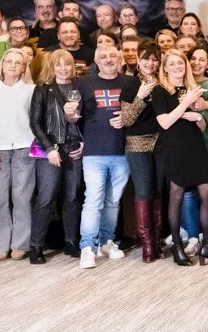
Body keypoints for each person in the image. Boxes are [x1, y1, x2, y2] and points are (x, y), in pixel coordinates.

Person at [151, 50, 208, 265]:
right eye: (172, 63)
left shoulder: (191, 89)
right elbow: (165, 122)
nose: (177, 66)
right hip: (174, 147)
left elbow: (202, 126)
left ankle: (207, 246)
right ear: (165, 67)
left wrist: (198, 116)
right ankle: (178, 247)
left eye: (181, 63)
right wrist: (185, 103)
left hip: (196, 145)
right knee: (176, 196)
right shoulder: (159, 91)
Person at [73, 45, 139, 268]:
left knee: (113, 201)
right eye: (103, 56)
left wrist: (126, 119)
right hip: (94, 152)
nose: (108, 59)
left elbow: (138, 114)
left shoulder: (130, 83)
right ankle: (87, 247)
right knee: (93, 201)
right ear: (96, 61)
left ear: (120, 58)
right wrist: (69, 114)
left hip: (122, 151)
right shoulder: (83, 83)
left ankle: (106, 241)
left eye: (113, 55)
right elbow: (74, 117)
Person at [0, 48, 36, 262]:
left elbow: (34, 121)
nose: (12, 65)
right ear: (2, 64)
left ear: (23, 67)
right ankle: (0, 245)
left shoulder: (30, 90)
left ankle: (20, 244)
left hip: (24, 149)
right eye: (8, 61)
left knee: (22, 198)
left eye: (17, 62)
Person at [27, 50, 84, 265]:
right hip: (48, 149)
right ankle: (36, 245)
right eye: (58, 65)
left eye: (67, 64)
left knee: (72, 197)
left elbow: (88, 120)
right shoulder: (42, 90)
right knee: (46, 196)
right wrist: (49, 148)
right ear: (52, 66)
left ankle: (71, 241)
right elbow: (34, 123)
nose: (63, 69)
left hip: (74, 149)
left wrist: (83, 142)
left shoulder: (80, 88)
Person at [118, 40, 164, 263]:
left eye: (155, 59)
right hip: (138, 144)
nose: (151, 63)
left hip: (162, 143)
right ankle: (146, 244)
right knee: (144, 192)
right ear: (138, 59)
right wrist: (141, 97)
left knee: (158, 192)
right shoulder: (131, 84)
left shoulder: (164, 83)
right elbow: (126, 119)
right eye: (146, 58)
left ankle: (157, 242)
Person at [178, 46, 208, 254]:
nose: (197, 62)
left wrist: (197, 111)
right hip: (185, 147)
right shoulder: (180, 84)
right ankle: (193, 236)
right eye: (193, 59)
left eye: (202, 59)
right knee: (187, 195)